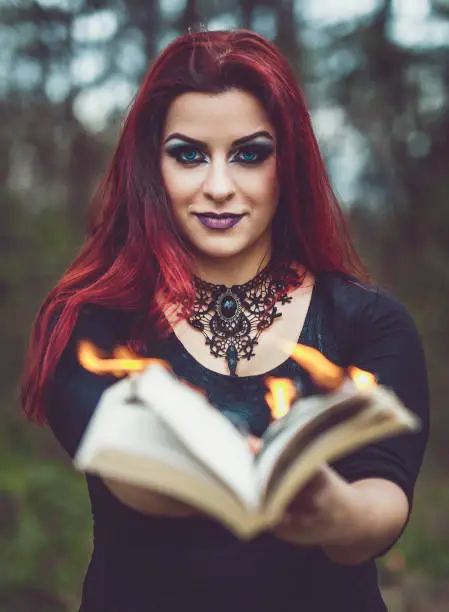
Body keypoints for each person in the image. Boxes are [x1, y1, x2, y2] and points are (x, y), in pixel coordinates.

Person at [21, 29, 429, 612]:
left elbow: (383, 505)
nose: (218, 187)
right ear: (149, 166)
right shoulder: (92, 320)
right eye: (188, 154)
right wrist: (256, 478)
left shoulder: (371, 322)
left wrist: (334, 510)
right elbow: (130, 475)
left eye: (249, 153)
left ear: (286, 164)